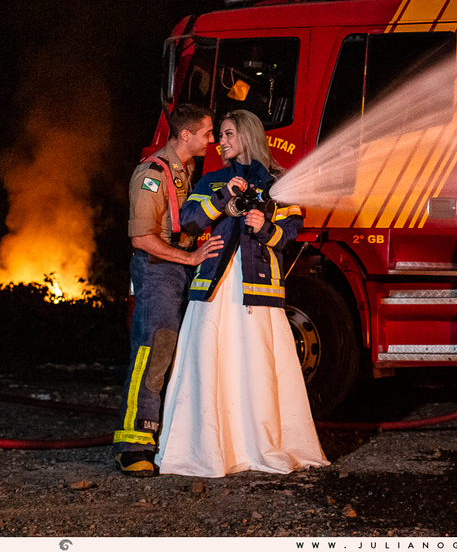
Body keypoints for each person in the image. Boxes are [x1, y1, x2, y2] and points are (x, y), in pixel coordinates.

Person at [155, 109, 328, 476]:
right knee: (209, 361)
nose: (221, 142)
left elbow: (290, 235)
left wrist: (264, 226)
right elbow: (188, 220)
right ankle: (208, 448)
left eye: (229, 134)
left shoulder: (278, 182)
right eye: (220, 135)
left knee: (256, 364)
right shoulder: (212, 179)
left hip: (257, 289)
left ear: (248, 136)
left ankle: (258, 444)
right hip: (214, 287)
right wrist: (224, 199)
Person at [114, 104, 224, 477]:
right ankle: (132, 446)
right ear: (185, 135)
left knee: (173, 354)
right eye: (207, 133)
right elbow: (142, 239)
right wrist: (189, 258)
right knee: (153, 353)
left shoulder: (185, 171)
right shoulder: (151, 174)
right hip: (158, 271)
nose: (212, 140)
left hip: (177, 270)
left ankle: (161, 437)